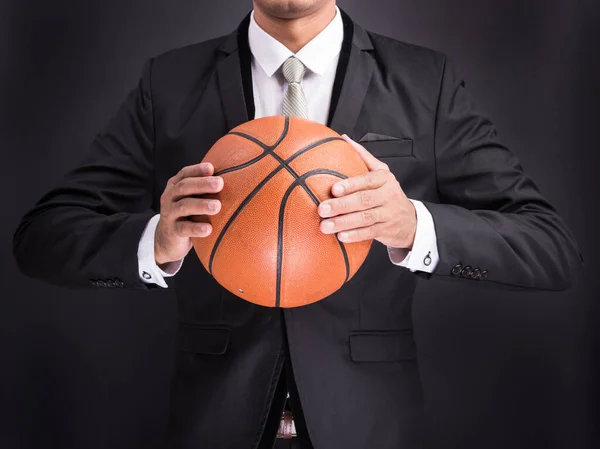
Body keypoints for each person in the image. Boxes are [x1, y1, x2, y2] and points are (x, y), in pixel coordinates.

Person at [12, 0, 583, 448]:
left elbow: (550, 247)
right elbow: (43, 238)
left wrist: (413, 225)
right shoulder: (170, 82)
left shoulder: (423, 80)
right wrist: (152, 241)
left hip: (368, 427)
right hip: (214, 423)